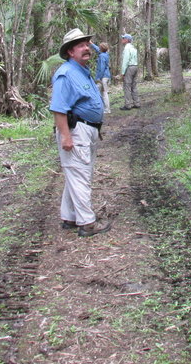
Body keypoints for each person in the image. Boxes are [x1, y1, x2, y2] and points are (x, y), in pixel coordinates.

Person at [49, 28, 111, 237]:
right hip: (76, 132)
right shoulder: (65, 74)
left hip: (88, 130)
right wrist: (66, 136)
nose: (86, 48)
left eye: (87, 44)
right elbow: (58, 108)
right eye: (81, 45)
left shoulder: (82, 71)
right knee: (80, 175)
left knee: (75, 173)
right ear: (70, 51)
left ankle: (69, 217)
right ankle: (87, 223)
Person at [90, 41, 111, 114]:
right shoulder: (105, 54)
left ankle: (106, 109)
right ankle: (103, 108)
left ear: (101, 49)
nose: (98, 48)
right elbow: (97, 49)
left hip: (103, 77)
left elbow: (101, 68)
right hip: (106, 76)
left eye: (100, 47)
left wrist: (98, 78)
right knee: (102, 92)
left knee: (103, 92)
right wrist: (91, 43)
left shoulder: (102, 56)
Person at [119, 33, 139, 110]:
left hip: (129, 67)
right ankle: (136, 103)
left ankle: (128, 105)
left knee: (127, 86)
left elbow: (125, 61)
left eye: (123, 38)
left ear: (127, 40)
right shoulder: (133, 48)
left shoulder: (127, 48)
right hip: (135, 66)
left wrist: (123, 72)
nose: (122, 40)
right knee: (134, 85)